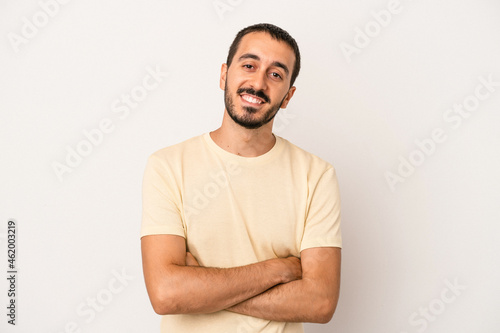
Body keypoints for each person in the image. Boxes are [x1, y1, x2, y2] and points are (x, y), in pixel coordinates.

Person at [140, 23, 342, 333]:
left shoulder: (316, 175)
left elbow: (320, 303)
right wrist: (277, 270)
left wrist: (203, 289)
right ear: (224, 75)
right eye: (249, 65)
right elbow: (166, 293)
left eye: (275, 74)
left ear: (288, 96)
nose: (258, 83)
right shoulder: (167, 166)